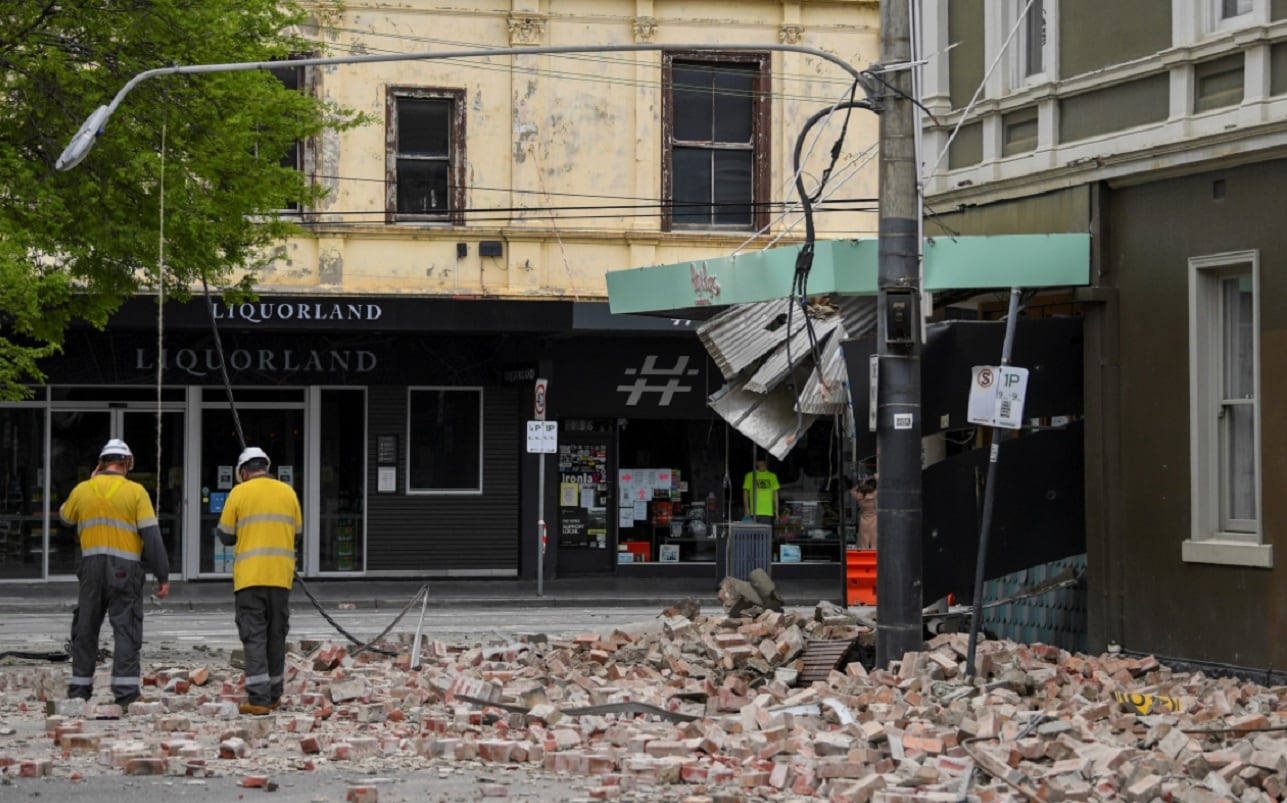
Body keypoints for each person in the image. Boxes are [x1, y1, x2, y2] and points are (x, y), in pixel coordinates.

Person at [59, 438, 170, 706]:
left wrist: (89, 481)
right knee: (126, 629)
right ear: (127, 464)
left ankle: (79, 691)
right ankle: (126, 693)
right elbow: (151, 536)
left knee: (86, 628)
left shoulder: (83, 489)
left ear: (101, 464)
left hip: (91, 570)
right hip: (125, 570)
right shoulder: (135, 492)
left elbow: (65, 518)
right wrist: (163, 574)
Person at [216, 446, 302, 716]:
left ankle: (258, 699)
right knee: (276, 636)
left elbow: (226, 535)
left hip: (250, 580)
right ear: (266, 466)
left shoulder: (238, 493)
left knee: (254, 637)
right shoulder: (288, 492)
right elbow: (296, 533)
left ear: (243, 472)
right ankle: (275, 695)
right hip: (280, 577)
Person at [742, 457, 780, 524]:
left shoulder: (772, 476)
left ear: (767, 463)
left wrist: (776, 511)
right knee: (754, 533)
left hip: (768, 512)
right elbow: (745, 493)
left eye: (763, 461)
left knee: (766, 533)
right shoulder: (750, 475)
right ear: (756, 463)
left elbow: (775, 494)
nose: (762, 463)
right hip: (754, 512)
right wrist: (746, 509)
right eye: (760, 461)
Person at [849, 474, 878, 550]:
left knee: (864, 542)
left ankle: (864, 557)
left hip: (863, 520)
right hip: (875, 520)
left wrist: (861, 484)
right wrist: (877, 479)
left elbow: (852, 491)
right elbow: (884, 489)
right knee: (874, 541)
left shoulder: (860, 496)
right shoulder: (875, 495)